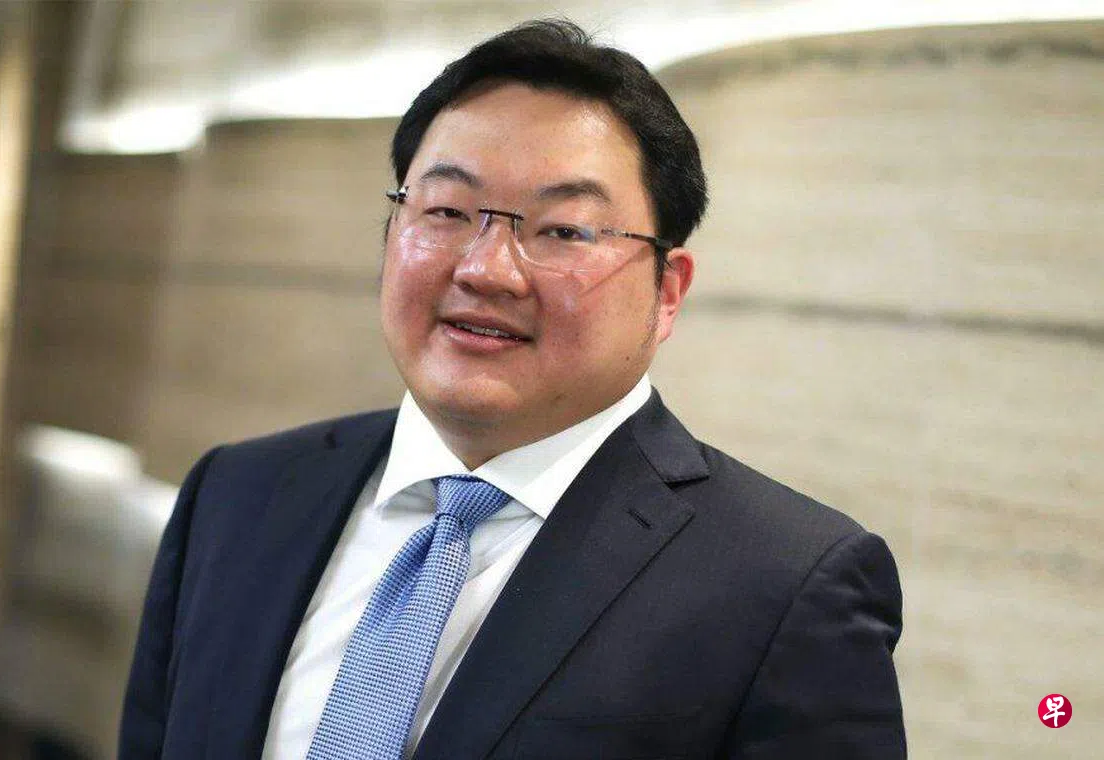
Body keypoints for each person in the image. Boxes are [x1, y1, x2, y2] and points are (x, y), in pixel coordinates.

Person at [119, 19, 905, 760]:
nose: (486, 269)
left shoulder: (785, 584)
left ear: (667, 291)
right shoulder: (237, 495)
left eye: (563, 231)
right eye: (447, 210)